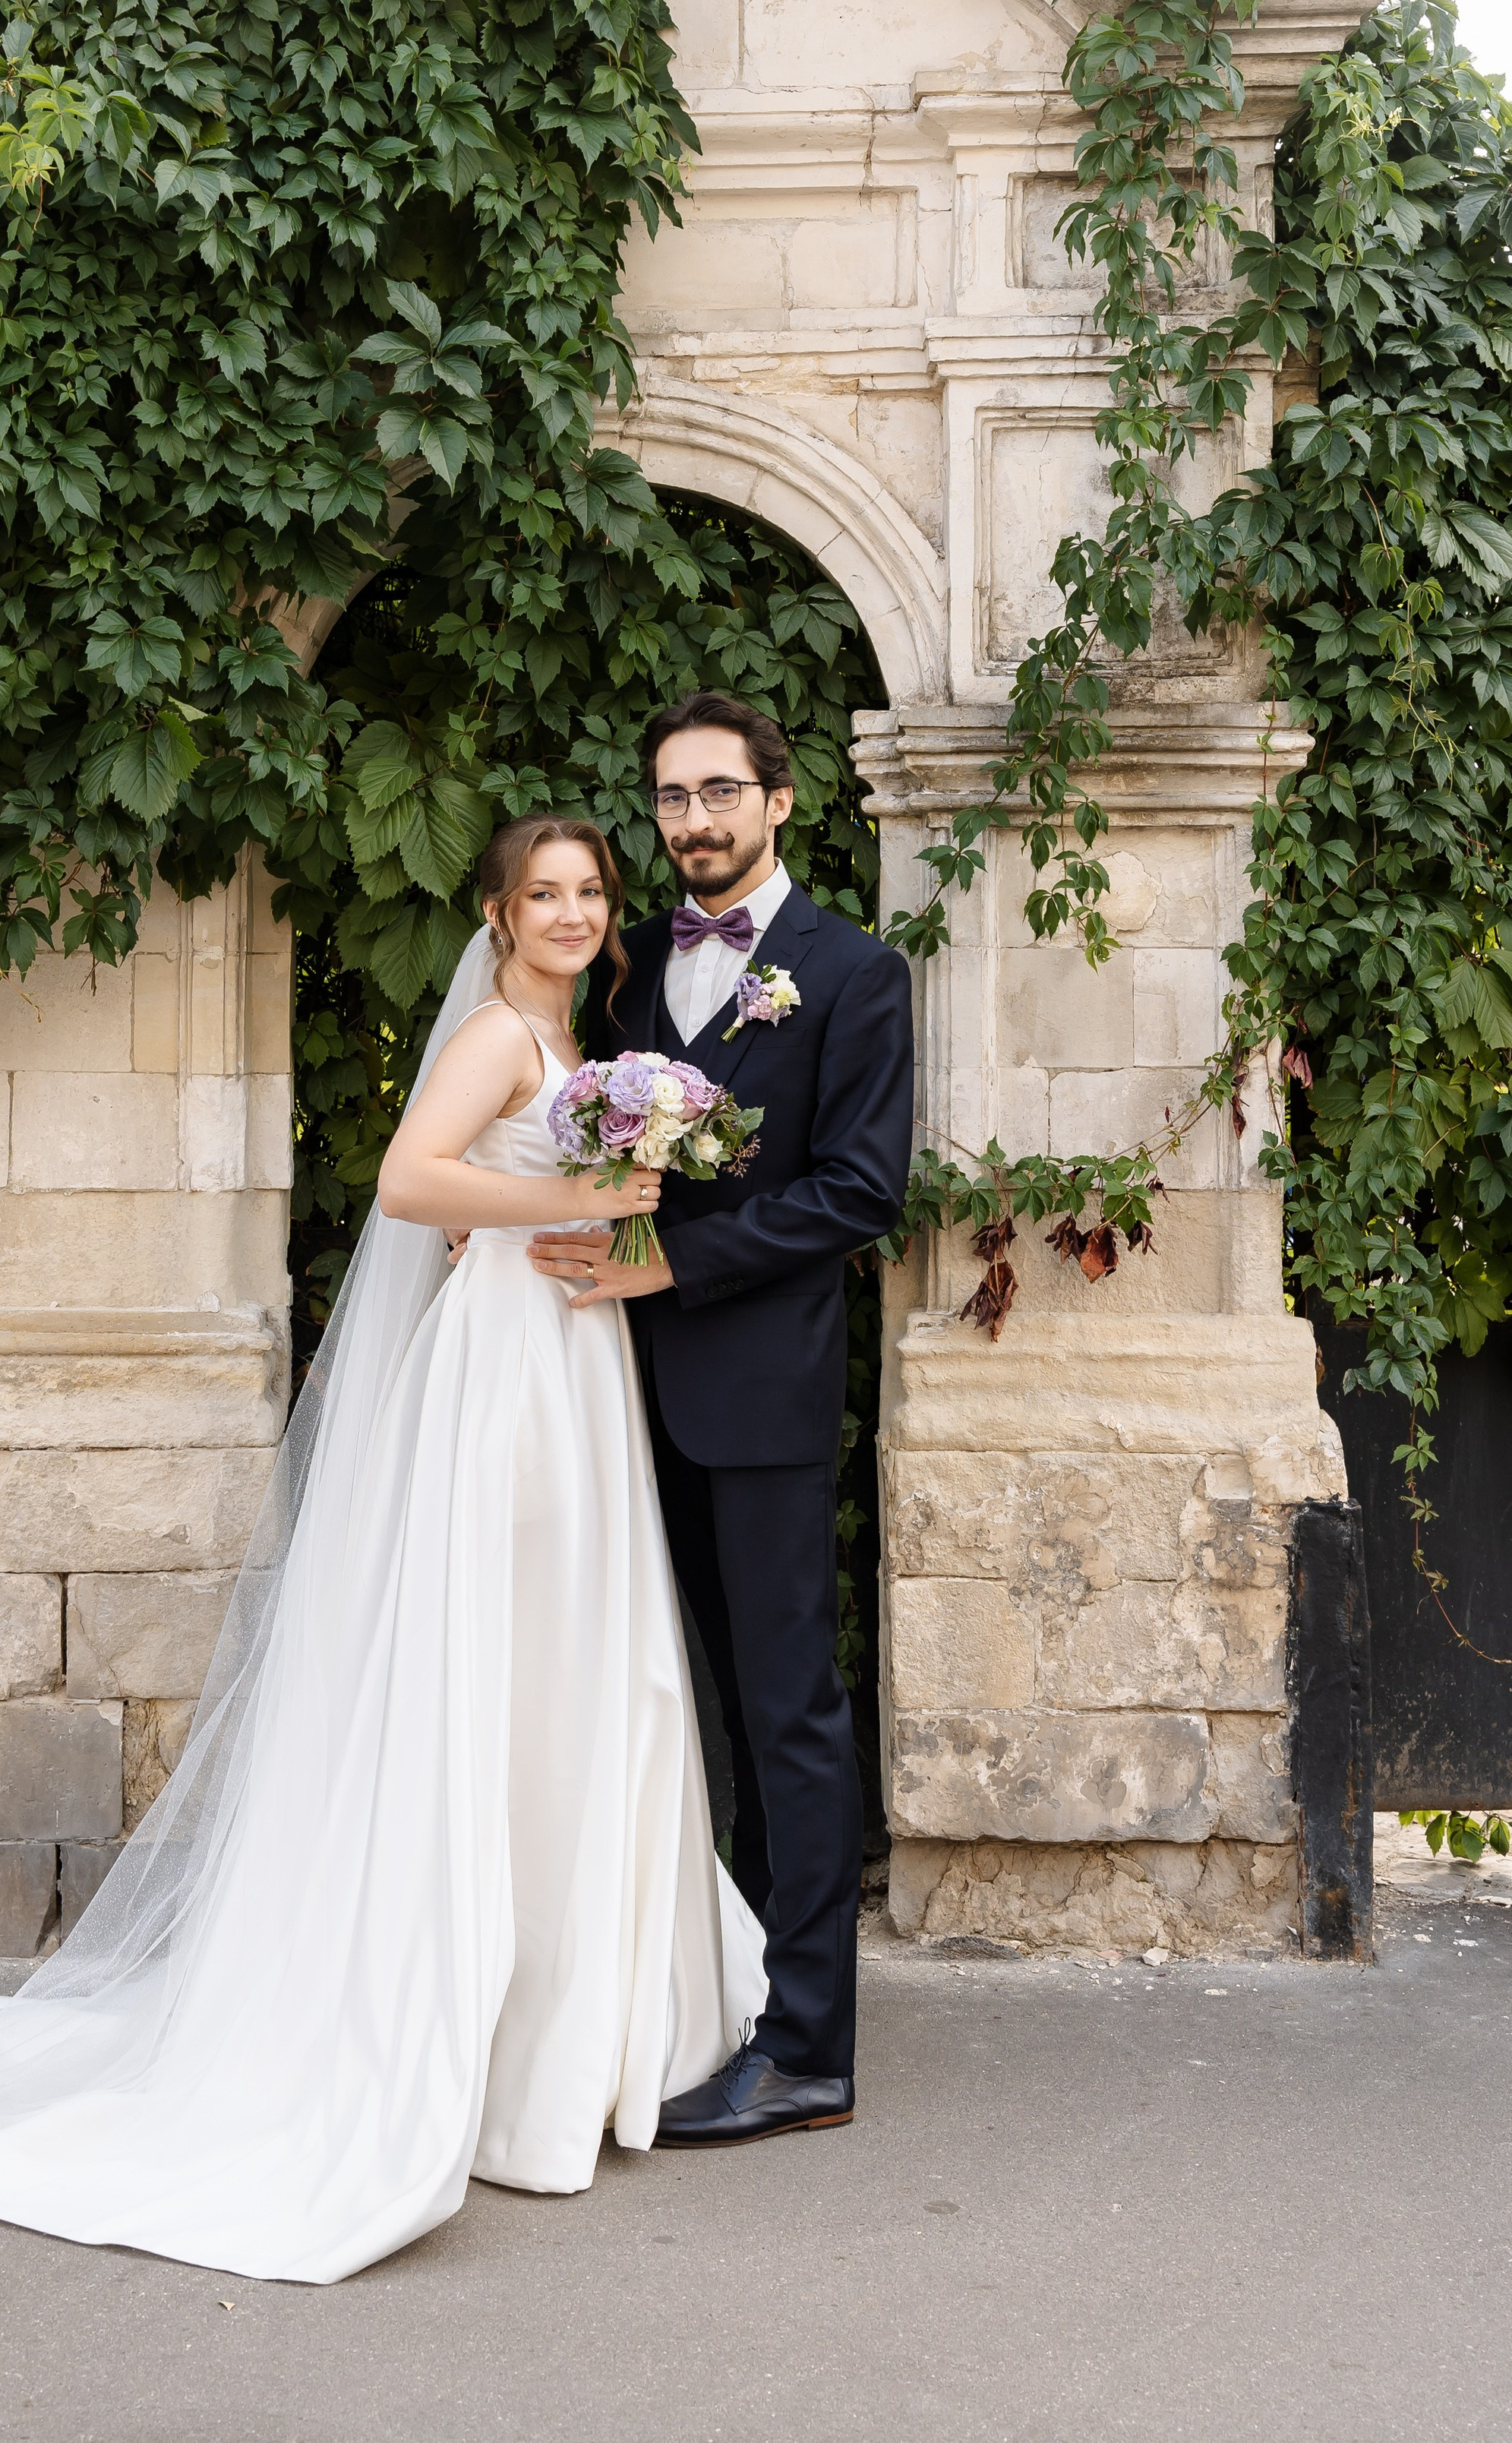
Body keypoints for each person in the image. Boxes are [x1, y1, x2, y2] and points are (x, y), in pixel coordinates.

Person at [0, 814, 765, 2283]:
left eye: (588, 891)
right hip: (506, 1372)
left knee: (575, 1668)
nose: (567, 910)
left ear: (611, 914)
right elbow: (412, 1185)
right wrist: (581, 1197)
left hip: (571, 1356)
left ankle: (571, 2025)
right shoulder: (495, 1039)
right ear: (494, 912)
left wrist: (616, 1197)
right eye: (540, 892)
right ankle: (485, 2042)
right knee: (508, 1665)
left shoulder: (589, 1048)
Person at [531, 692, 914, 2147]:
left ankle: (810, 2047)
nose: (693, 820)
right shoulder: (628, 980)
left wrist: (674, 1258)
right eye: (672, 798)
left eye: (719, 794)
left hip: (759, 1398)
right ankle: (725, 1997)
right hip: (624, 1398)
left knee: (789, 1717)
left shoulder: (853, 975)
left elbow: (860, 1193)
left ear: (778, 801)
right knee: (678, 1713)